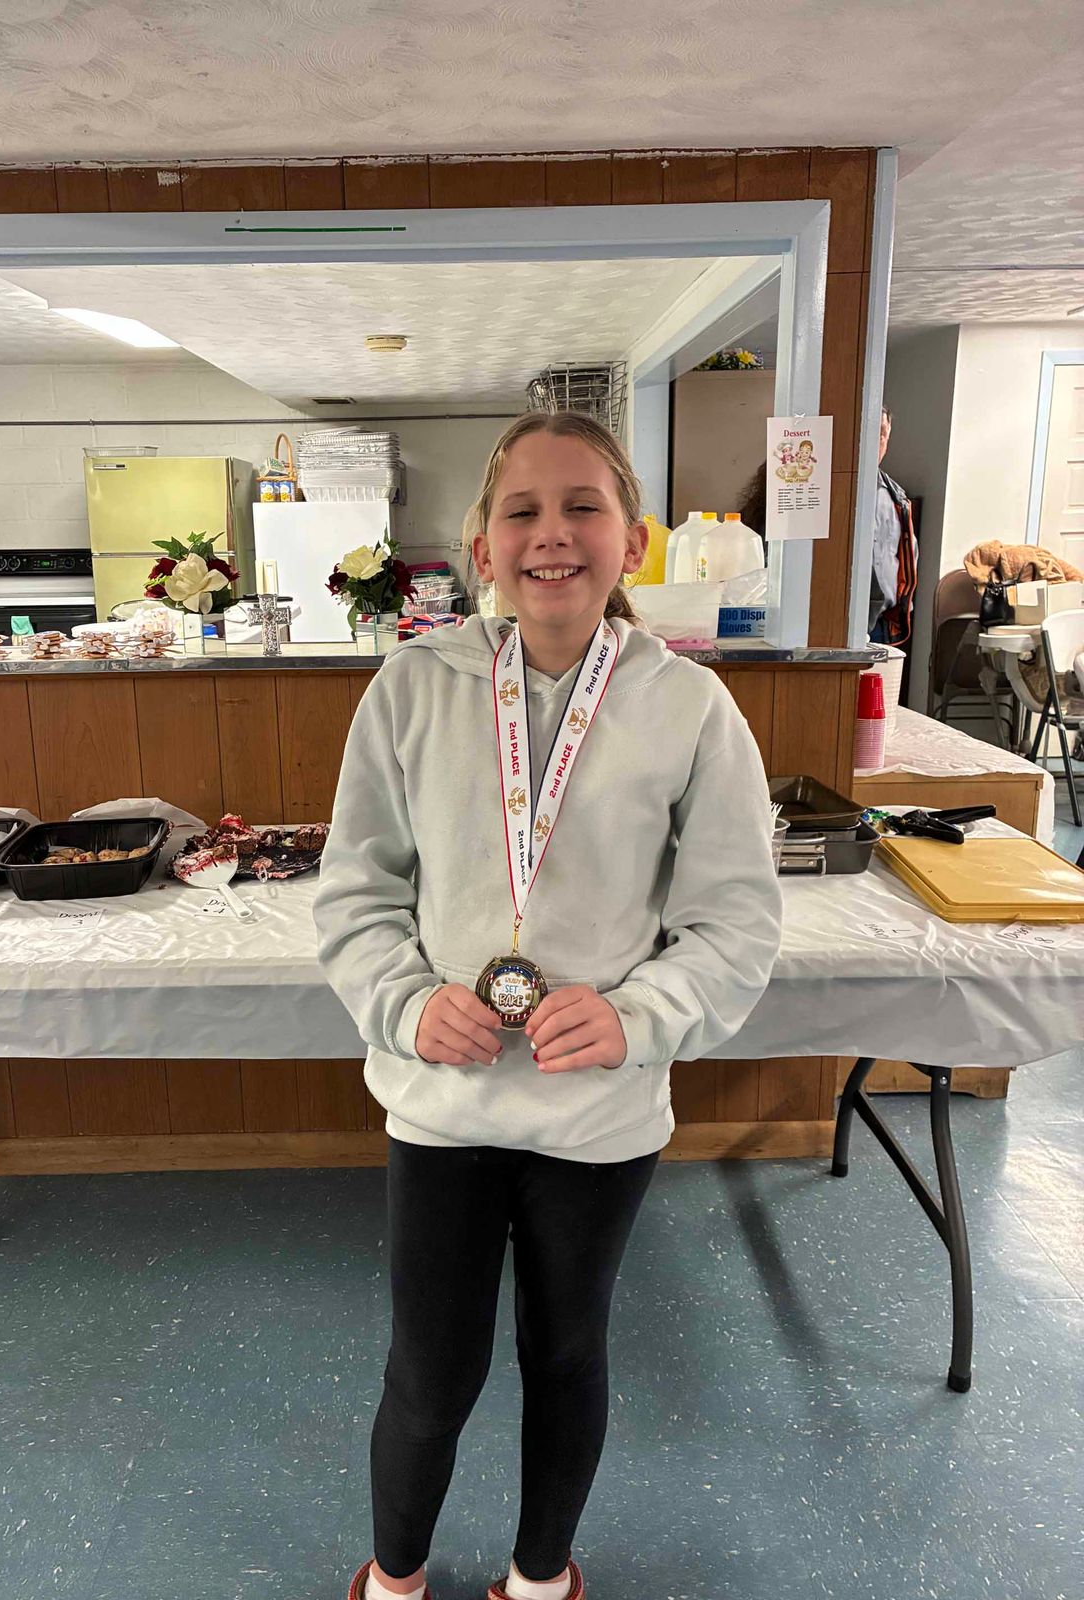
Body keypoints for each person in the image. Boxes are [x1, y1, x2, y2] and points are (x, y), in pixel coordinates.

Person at [313, 411, 784, 1600]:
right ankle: (396, 1575)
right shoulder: (412, 689)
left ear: (635, 540)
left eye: (584, 507)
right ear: (482, 548)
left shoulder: (690, 709)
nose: (552, 534)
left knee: (568, 1353)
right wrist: (406, 1003)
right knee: (430, 1369)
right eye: (522, 511)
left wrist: (642, 1014)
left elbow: (734, 923)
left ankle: (538, 1577)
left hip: (598, 1112)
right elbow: (355, 892)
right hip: (446, 1102)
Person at [869, 405, 918, 645]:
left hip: (882, 625)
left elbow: (907, 556)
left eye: (882, 433)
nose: (877, 440)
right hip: (832, 621)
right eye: (871, 431)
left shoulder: (895, 497)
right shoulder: (824, 489)